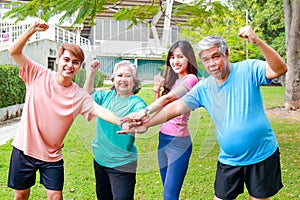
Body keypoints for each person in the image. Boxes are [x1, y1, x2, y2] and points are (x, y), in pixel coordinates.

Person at [120, 26, 287, 200]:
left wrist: (257, 42)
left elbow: (280, 69)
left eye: (215, 56)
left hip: (262, 154)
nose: (212, 64)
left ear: (226, 54)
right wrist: (147, 123)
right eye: (206, 60)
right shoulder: (203, 88)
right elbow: (176, 107)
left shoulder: (249, 69)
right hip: (230, 159)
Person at [7, 19, 123, 200]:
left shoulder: (78, 95)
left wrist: (123, 121)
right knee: (21, 194)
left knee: (56, 196)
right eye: (66, 60)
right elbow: (14, 51)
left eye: (75, 62)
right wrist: (31, 30)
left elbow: (99, 110)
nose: (70, 65)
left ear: (79, 67)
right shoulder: (38, 74)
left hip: (52, 156)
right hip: (24, 149)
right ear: (58, 60)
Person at [127, 40, 198, 200]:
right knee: (166, 190)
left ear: (189, 59)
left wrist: (143, 112)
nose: (175, 61)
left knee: (170, 195)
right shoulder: (174, 81)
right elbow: (162, 109)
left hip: (179, 143)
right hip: (163, 139)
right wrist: (156, 90)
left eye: (180, 57)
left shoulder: (191, 79)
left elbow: (169, 99)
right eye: (172, 57)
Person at [83, 60, 146, 200]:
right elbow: (86, 95)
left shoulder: (137, 103)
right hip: (100, 159)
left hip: (122, 164)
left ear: (134, 82)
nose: (123, 79)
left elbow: (141, 123)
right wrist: (92, 72)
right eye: (119, 75)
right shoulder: (106, 96)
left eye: (128, 76)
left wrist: (137, 125)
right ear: (113, 79)